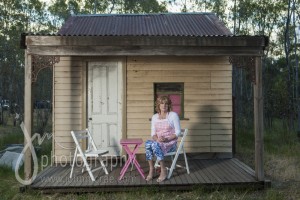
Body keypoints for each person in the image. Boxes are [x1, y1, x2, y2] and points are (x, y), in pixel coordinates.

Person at [145, 95, 181, 182]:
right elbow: (153, 134)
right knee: (148, 143)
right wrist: (157, 139)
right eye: (161, 103)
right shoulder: (154, 117)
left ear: (169, 105)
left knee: (155, 144)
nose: (164, 105)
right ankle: (151, 169)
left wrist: (167, 139)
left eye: (166, 104)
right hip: (158, 142)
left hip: (170, 143)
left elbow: (178, 132)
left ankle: (163, 169)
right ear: (158, 105)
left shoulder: (173, 115)